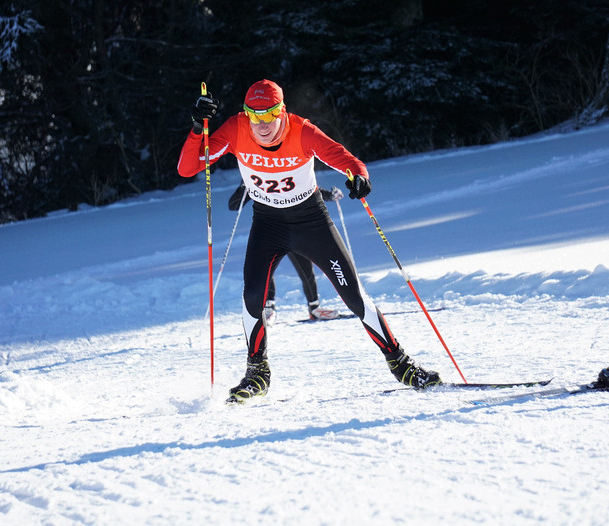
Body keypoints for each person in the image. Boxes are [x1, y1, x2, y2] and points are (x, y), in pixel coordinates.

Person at [178, 79, 441, 402]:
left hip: (311, 222)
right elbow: (189, 167)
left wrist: (359, 176)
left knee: (354, 296)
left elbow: (344, 158)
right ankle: (257, 373)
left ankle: (401, 365)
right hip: (268, 223)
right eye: (253, 115)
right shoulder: (236, 129)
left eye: (269, 114)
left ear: (282, 111)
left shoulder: (302, 131)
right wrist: (196, 128)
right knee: (252, 296)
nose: (261, 124)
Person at [228, 182, 344, 323]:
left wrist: (329, 195)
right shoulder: (254, 175)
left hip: (295, 228)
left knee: (306, 269)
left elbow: (307, 187)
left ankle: (314, 307)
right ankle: (269, 307)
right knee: (266, 269)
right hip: (270, 231)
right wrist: (243, 186)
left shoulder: (284, 169)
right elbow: (233, 205)